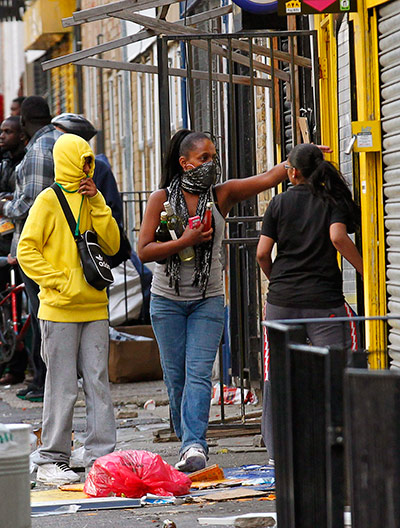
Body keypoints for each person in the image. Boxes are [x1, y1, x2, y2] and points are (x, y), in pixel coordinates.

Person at [138, 129, 303, 472]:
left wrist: (301, 158)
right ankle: (186, 437)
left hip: (207, 300)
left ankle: (194, 446)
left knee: (199, 374)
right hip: (166, 302)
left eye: (213, 157)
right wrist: (185, 240)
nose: (211, 164)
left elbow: (266, 178)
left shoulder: (220, 196)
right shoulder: (160, 200)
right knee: (176, 378)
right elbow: (144, 251)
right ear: (184, 163)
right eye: (204, 158)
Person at [17, 133, 120, 485]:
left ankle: (100, 455)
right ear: (68, 161)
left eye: (90, 162)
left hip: (94, 305)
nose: (87, 168)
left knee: (98, 382)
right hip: (60, 308)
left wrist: (99, 204)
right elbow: (27, 250)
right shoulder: (47, 200)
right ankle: (52, 457)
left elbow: (113, 243)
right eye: (83, 161)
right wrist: (57, 280)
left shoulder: (93, 198)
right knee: (62, 386)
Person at [256, 142, 363, 463]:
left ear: (293, 173)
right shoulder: (333, 200)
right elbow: (337, 237)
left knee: (276, 374)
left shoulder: (278, 203)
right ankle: (342, 445)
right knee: (343, 366)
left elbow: (262, 253)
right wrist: (366, 269)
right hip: (324, 301)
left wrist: (277, 281)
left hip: (282, 302)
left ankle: (278, 454)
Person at [0, 96, 63, 402]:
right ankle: (45, 379)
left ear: (24, 122)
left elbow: (32, 203)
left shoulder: (39, 149)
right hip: (56, 246)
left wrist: (5, 205)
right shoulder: (61, 140)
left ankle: (45, 382)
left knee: (41, 318)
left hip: (38, 248)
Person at [51, 113, 131, 268]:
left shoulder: (100, 170)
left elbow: (114, 216)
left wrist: (95, 201)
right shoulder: (50, 191)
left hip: (94, 261)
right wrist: (52, 277)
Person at [0, 115, 28, 385]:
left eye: (7, 131)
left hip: (20, 241)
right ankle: (9, 364)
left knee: (23, 306)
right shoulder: (3, 161)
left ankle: (21, 364)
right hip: (3, 241)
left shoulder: (26, 160)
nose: (2, 136)